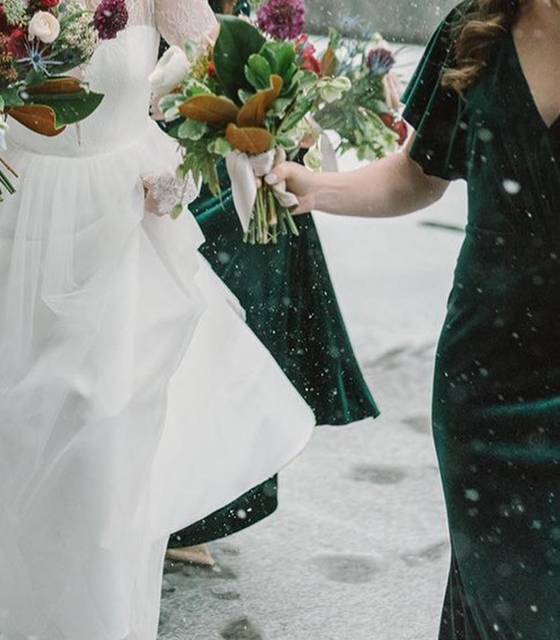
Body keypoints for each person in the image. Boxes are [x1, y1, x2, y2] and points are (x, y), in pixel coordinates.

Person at [0, 0, 314, 637]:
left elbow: (221, 57)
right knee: (28, 438)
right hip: (13, 221)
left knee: (105, 439)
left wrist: (249, 131)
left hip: (123, 218)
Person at [268, 0, 560, 636]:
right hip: (487, 379)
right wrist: (313, 187)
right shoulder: (475, 30)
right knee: (504, 597)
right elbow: (418, 175)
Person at [167, 0, 379, 567]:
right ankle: (182, 502)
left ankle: (209, 496)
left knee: (256, 279)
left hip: (231, 130)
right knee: (204, 302)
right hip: (175, 135)